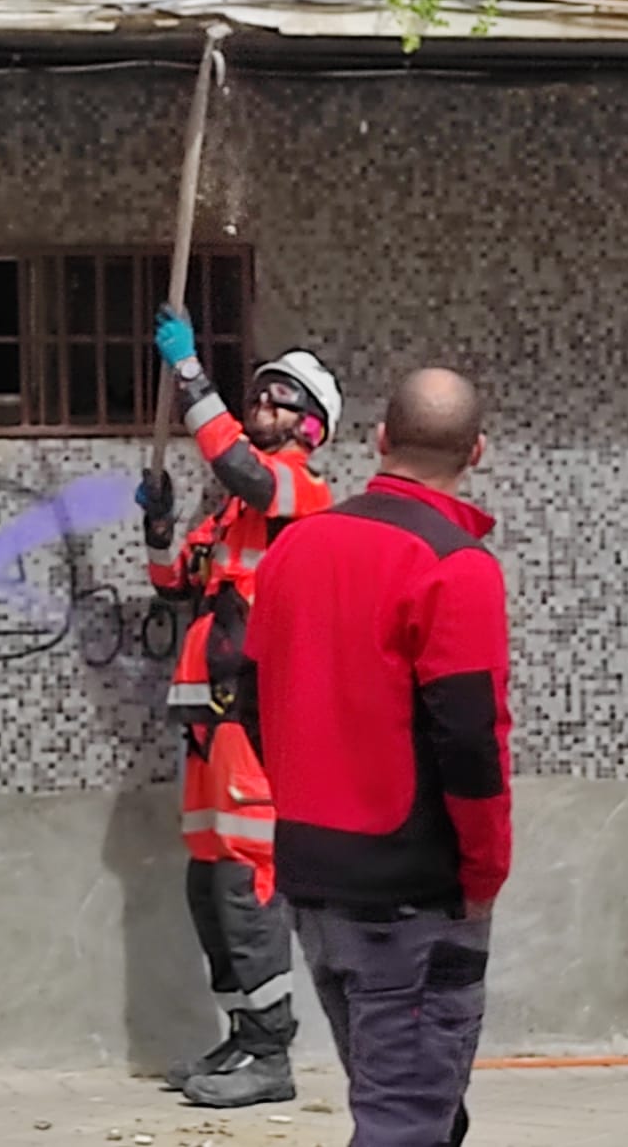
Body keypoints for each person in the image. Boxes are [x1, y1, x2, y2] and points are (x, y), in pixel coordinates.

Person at [239, 368, 510, 1147]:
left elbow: (256, 697)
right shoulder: (455, 568)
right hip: (414, 894)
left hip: (315, 879)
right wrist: (484, 873)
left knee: (410, 1104)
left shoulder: (295, 550)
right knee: (406, 1118)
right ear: (477, 452)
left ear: (382, 439)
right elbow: (469, 739)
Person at [136, 304, 343, 1109]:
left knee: (247, 882)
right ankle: (241, 1037)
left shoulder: (298, 489)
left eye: (282, 398)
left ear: (313, 426)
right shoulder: (227, 510)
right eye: (259, 394)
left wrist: (190, 377)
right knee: (207, 883)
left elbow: (242, 469)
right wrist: (157, 523)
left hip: (254, 717)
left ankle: (272, 1056)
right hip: (206, 719)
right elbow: (173, 583)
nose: (264, 406)